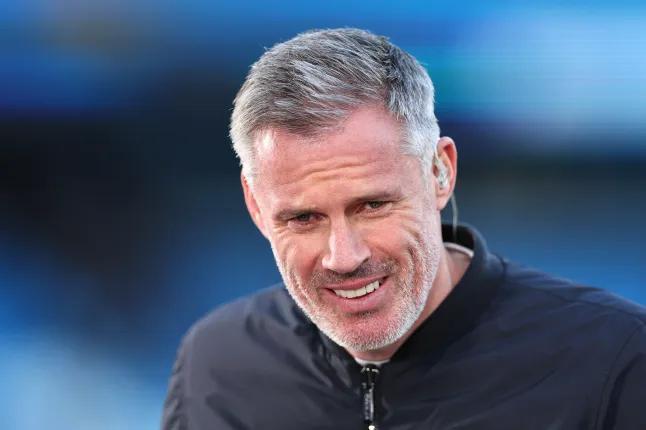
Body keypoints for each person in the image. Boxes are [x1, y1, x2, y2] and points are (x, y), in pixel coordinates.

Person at [162, 28, 646, 430]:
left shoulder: (613, 361)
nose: (343, 256)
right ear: (255, 205)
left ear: (440, 172)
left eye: (373, 205)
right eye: (304, 218)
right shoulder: (216, 365)